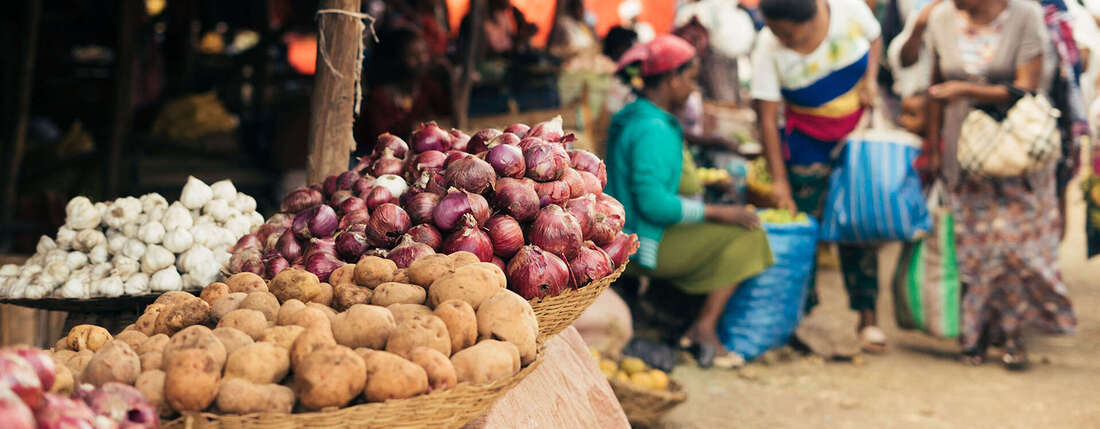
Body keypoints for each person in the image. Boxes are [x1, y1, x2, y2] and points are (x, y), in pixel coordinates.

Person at [922, 0, 1076, 370]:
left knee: (1014, 250)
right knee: (974, 251)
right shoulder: (942, 18)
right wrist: (932, 148)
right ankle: (974, 334)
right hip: (964, 155)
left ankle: (1013, 332)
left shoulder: (1025, 16)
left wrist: (965, 90)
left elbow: (1027, 86)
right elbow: (933, 89)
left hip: (1017, 156)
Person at [605, 35, 774, 368]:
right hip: (642, 243)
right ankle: (704, 329)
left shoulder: (636, 115)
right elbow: (654, 205)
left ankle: (672, 315)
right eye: (692, 79)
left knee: (730, 226)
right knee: (749, 236)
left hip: (630, 233)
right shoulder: (653, 127)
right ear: (672, 78)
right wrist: (717, 212)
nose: (693, 88)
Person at [751, 0, 887, 352]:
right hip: (805, 145)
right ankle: (803, 317)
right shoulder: (767, 46)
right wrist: (780, 181)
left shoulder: (847, 9)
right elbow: (767, 118)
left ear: (812, 17)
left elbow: (875, 39)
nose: (781, 38)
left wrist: (871, 79)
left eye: (787, 32)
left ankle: (867, 317)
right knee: (804, 229)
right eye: (775, 31)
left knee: (860, 225)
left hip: (858, 139)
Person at [355, 27, 452, 153]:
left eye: (424, 53)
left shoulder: (427, 87)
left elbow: (448, 114)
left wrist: (450, 77)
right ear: (397, 59)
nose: (422, 60)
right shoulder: (380, 97)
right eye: (413, 56)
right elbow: (382, 139)